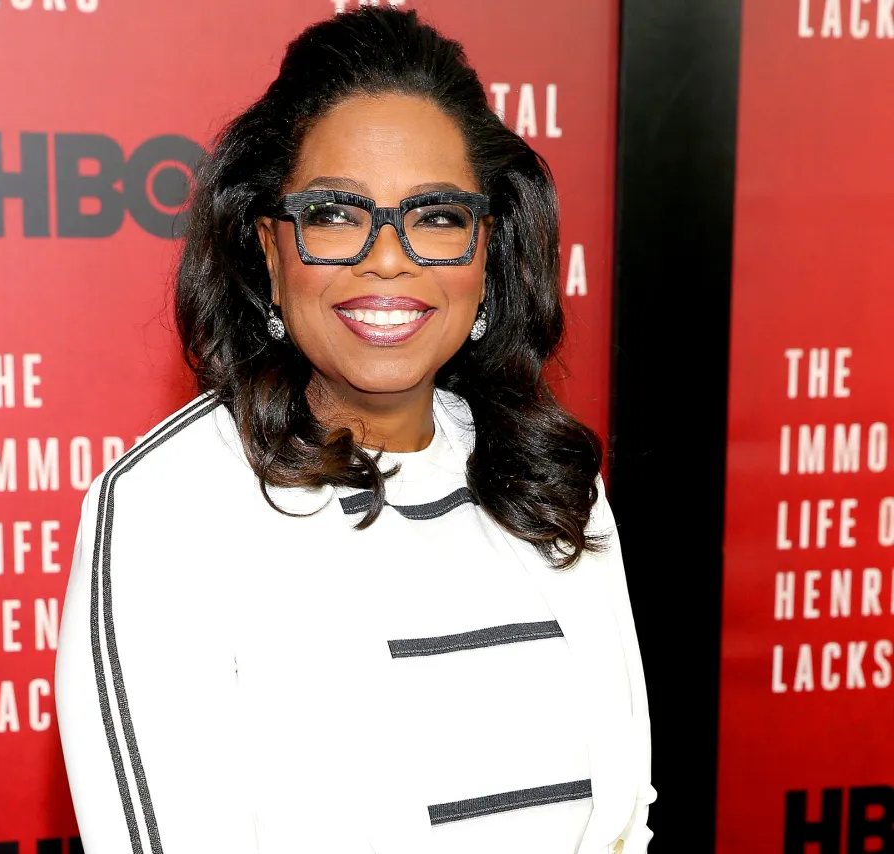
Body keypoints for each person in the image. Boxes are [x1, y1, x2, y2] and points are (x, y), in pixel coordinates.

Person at [54, 7, 655, 854]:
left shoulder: (551, 478)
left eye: (438, 216)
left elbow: (629, 814)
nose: (387, 258)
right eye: (336, 213)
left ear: (489, 251)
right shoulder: (170, 510)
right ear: (269, 248)